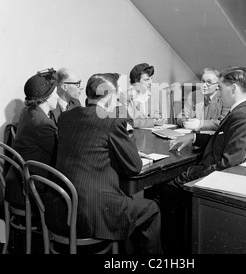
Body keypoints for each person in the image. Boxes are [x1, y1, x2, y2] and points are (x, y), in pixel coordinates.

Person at [150, 66, 246, 254]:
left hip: (212, 178)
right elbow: (224, 138)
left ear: (234, 89)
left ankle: (168, 250)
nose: (219, 93)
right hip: (217, 172)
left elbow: (227, 164)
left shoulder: (241, 116)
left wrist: (189, 175)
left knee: (159, 190)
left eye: (221, 88)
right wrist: (194, 137)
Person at [45, 73, 162, 254]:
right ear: (110, 96)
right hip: (92, 216)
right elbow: (134, 167)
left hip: (60, 209)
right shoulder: (112, 121)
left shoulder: (65, 117)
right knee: (151, 209)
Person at [5, 68, 58, 206]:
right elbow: (60, 153)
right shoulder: (43, 123)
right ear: (46, 98)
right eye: (56, 93)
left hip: (18, 180)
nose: (58, 97)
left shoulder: (28, 111)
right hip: (31, 190)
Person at [126, 63, 165, 128]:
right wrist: (152, 122)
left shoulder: (151, 94)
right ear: (136, 81)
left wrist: (159, 118)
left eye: (151, 78)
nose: (151, 83)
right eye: (146, 80)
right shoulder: (127, 97)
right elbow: (128, 122)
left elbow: (155, 113)